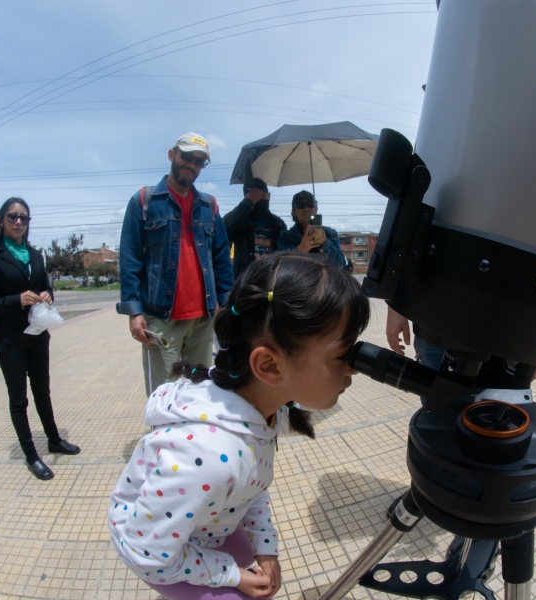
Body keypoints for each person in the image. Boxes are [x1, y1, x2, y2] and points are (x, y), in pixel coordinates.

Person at [107, 251, 370, 600]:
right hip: (154, 548)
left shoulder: (254, 411)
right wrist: (231, 576)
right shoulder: (210, 457)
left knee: (252, 571)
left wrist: (265, 545)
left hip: (202, 523)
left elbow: (250, 485)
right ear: (270, 366)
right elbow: (148, 554)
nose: (353, 368)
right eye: (343, 355)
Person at [117, 133, 234, 396]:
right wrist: (134, 312)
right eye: (187, 157)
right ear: (172, 155)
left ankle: (193, 438)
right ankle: (163, 438)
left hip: (203, 318)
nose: (192, 165)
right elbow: (130, 258)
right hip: (161, 318)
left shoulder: (210, 205)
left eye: (199, 161)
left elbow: (221, 258)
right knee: (164, 396)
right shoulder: (145, 201)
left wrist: (226, 304)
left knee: (199, 393)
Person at [0, 197, 80, 481]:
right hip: (10, 339)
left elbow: (45, 287)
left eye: (24, 218)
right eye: (12, 217)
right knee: (18, 398)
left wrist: (48, 295)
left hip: (37, 334)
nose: (19, 222)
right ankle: (32, 455)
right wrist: (16, 300)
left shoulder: (35, 256)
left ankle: (54, 440)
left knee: (43, 391)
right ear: (2, 221)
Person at [223, 177, 287, 278]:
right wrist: (246, 204)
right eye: (254, 200)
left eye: (262, 199)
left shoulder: (279, 224)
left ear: (269, 196)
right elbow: (221, 229)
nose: (259, 202)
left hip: (271, 281)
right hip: (245, 281)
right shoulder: (240, 222)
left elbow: (284, 253)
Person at [277, 191, 346, 268]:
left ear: (316, 209)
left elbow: (340, 265)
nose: (306, 209)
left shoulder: (330, 234)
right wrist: (301, 249)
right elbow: (282, 267)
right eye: (300, 205)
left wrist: (325, 243)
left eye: (311, 205)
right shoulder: (286, 236)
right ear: (294, 212)